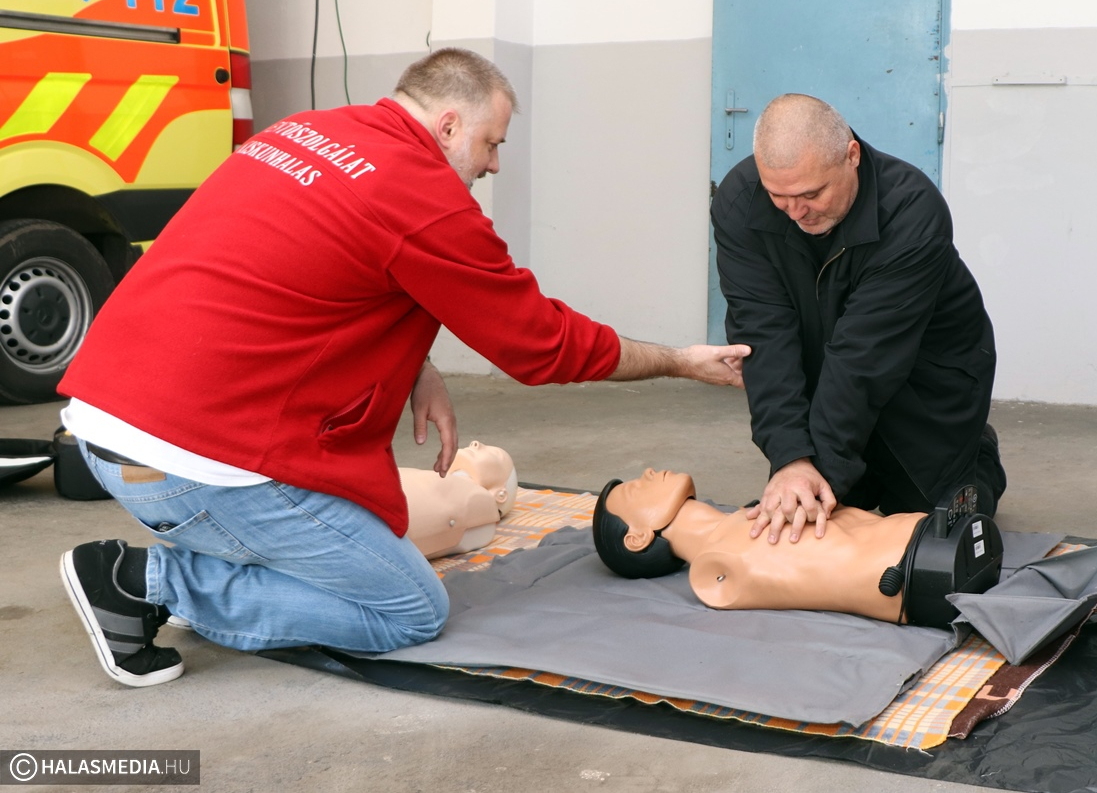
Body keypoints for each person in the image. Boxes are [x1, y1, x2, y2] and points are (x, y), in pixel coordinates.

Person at [55, 48, 750, 688]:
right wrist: (679, 361)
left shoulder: (303, 131)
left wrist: (416, 363)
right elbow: (541, 344)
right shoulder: (424, 198)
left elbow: (308, 273)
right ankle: (145, 583)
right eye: (492, 143)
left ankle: (205, 563)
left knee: (368, 530)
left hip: (103, 424)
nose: (495, 165)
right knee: (407, 607)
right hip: (191, 469)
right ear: (449, 125)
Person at [710, 94, 1003, 547]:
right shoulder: (739, 200)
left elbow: (865, 357)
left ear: (852, 156)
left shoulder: (912, 210)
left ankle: (976, 452)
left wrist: (816, 481)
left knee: (927, 524)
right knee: (828, 512)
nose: (795, 212)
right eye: (778, 197)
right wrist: (792, 460)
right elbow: (762, 334)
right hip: (827, 363)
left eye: (812, 194)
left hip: (924, 374)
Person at [592, 468, 1000, 626]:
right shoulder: (715, 569)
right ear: (637, 537)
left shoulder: (747, 517)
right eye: (634, 489)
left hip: (930, 537)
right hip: (920, 568)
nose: (648, 472)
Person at [402, 441, 518, 559]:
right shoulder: (428, 477)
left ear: (500, 495)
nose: (475, 443)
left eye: (495, 454)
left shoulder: (477, 499)